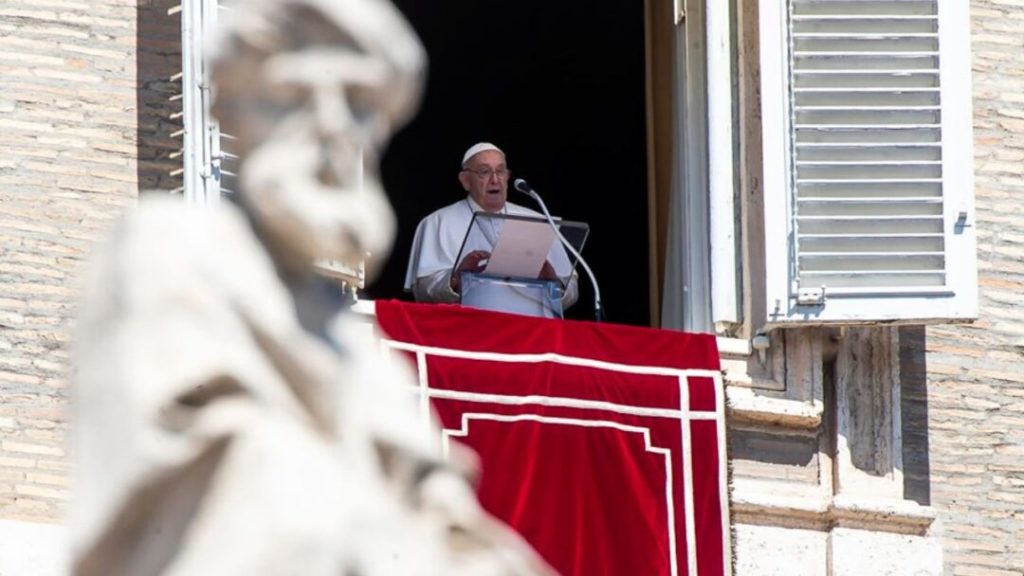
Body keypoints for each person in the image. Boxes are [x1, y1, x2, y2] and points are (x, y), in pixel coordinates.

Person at [67, 0, 555, 574]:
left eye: (359, 104)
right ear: (235, 110)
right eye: (295, 94)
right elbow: (214, 483)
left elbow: (445, 515)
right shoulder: (169, 248)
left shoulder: (358, 351)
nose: (332, 126)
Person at [404, 142, 579, 317]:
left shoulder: (539, 221)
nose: (495, 180)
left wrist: (553, 283)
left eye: (500, 171)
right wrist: (456, 279)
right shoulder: (438, 222)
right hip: (468, 330)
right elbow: (423, 292)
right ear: (465, 180)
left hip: (531, 331)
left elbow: (571, 289)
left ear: (508, 176)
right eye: (484, 172)